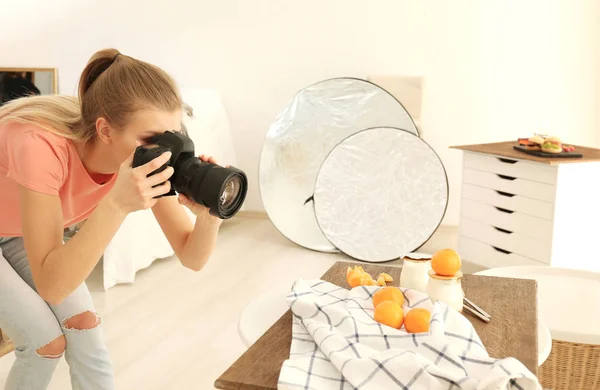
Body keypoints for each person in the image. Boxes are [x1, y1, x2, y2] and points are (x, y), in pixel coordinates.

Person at [0, 48, 223, 390]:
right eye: (152, 139)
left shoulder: (146, 159)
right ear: (105, 130)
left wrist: (209, 215)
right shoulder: (40, 146)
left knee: (86, 329)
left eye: (174, 135)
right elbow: (53, 285)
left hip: (14, 229)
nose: (165, 151)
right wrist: (116, 205)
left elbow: (192, 257)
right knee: (45, 342)